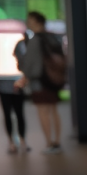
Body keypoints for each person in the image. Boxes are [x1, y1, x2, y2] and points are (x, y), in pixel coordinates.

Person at [17, 11, 65, 154]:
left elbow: (30, 63)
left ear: (37, 21)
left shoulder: (35, 40)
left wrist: (25, 76)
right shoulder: (53, 38)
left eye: (30, 20)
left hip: (39, 81)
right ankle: (57, 142)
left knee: (43, 111)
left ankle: (49, 143)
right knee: (53, 110)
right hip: (54, 79)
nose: (28, 23)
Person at [1, 46, 28, 153]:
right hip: (4, 83)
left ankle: (22, 140)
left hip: (18, 82)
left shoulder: (19, 45)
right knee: (8, 114)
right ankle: (12, 141)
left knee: (19, 113)